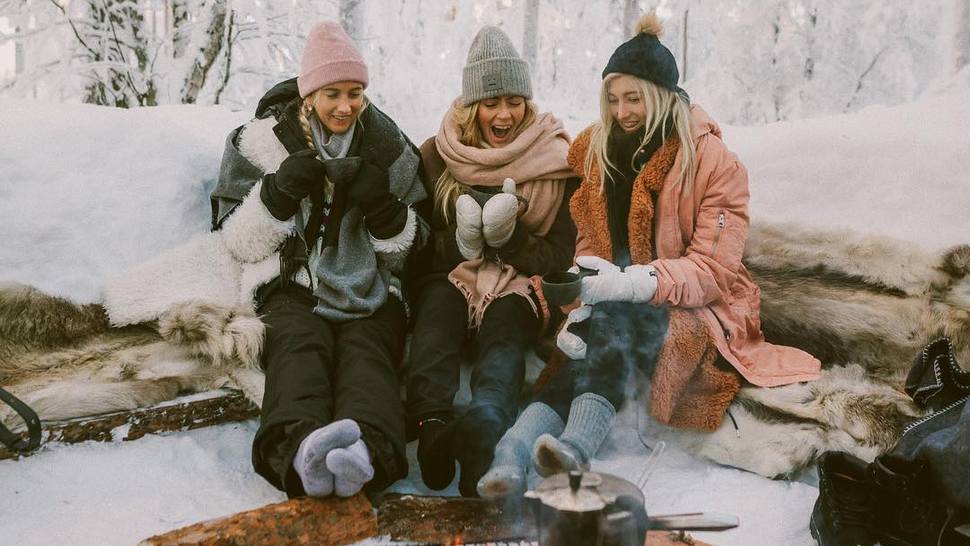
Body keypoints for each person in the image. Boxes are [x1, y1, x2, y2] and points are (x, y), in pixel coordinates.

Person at [477, 12, 821, 498]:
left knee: (617, 320)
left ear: (660, 94)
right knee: (590, 333)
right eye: (613, 99)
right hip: (616, 303)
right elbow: (591, 246)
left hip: (696, 306)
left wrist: (631, 284)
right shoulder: (597, 151)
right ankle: (511, 453)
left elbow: (715, 269)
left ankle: (574, 445)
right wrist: (582, 301)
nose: (622, 112)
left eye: (633, 98)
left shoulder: (713, 162)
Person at [209, 21, 430, 498]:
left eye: (355, 92)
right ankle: (301, 452)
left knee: (368, 353)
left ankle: (365, 453)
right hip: (292, 281)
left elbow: (415, 250)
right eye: (332, 93)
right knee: (299, 346)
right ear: (309, 94)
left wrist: (387, 213)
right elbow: (237, 242)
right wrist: (277, 194)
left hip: (369, 286)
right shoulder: (257, 142)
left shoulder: (389, 147)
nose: (345, 106)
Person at [405, 26, 579, 496]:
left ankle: (484, 429)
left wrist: (514, 241)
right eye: (491, 102)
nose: (504, 114)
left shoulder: (556, 160)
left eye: (515, 101)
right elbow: (415, 245)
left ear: (528, 102)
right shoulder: (437, 156)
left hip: (520, 284)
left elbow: (562, 254)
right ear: (471, 106)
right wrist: (459, 244)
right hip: (453, 277)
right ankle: (433, 429)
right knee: (435, 321)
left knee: (504, 338)